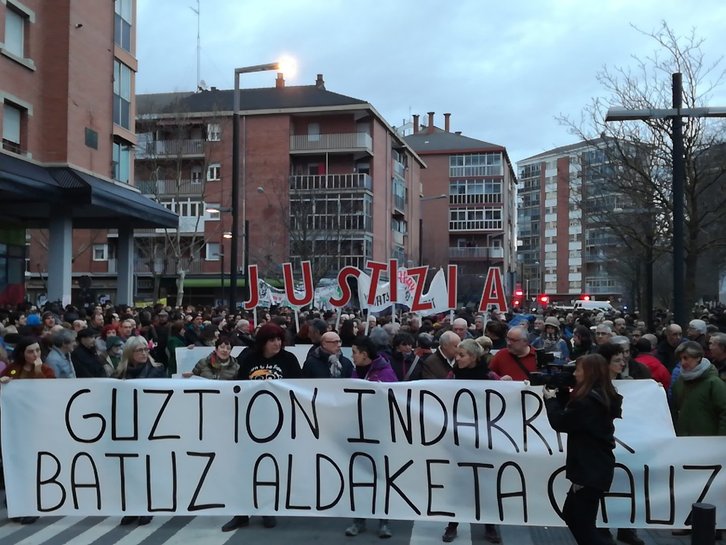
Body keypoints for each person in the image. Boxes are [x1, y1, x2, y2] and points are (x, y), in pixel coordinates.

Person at [223, 323, 301, 532]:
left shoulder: (289, 360)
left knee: (269, 467)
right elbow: (236, 388)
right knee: (244, 468)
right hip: (250, 423)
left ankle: (268, 508)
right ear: (263, 342)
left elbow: (299, 389)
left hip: (278, 424)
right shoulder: (249, 359)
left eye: (279, 339)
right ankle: (241, 512)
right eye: (272, 340)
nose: (277, 343)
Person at [544, 354, 623, 545]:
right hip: (594, 467)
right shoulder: (600, 396)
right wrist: (563, 392)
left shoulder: (588, 402)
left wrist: (550, 399)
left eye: (578, 370)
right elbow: (574, 416)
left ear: (588, 373)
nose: (575, 374)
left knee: (582, 523)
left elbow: (562, 421)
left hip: (589, 470)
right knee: (573, 516)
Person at [442, 338, 500, 543]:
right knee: (459, 483)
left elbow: (504, 399)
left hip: (483, 438)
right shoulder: (452, 376)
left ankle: (490, 526)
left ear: (474, 357)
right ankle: (452, 524)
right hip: (459, 438)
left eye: (461, 355)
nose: (456, 359)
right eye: (456, 354)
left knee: (485, 483)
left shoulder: (489, 377)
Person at [670, 341, 726, 539]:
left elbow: (724, 412)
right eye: (681, 359)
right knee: (690, 484)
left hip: (709, 442)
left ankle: (717, 525)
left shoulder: (714, 383)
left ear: (698, 358)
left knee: (713, 485)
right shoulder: (681, 383)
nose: (683, 363)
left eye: (687, 358)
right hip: (687, 441)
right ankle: (689, 521)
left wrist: (720, 440)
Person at [345, 335, 396, 538]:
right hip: (357, 432)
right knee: (359, 477)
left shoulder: (385, 373)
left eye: (355, 353)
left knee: (381, 477)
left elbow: (393, 400)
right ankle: (359, 519)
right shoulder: (355, 372)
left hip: (380, 434)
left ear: (364, 354)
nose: (352, 356)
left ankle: (384, 521)